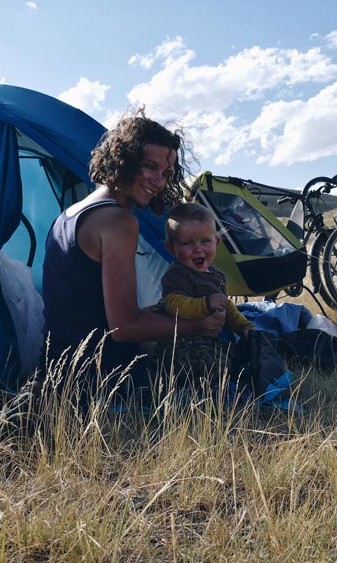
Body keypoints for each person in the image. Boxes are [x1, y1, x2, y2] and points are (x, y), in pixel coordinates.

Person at [40, 112, 225, 394]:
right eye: (149, 166)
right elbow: (123, 328)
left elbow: (88, 311)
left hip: (57, 367)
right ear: (124, 160)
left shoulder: (68, 214)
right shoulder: (119, 221)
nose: (159, 181)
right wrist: (198, 325)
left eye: (166, 173)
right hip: (100, 377)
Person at [154, 202, 254, 385]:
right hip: (180, 344)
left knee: (246, 353)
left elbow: (227, 306)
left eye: (205, 241)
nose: (198, 249)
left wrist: (244, 327)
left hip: (209, 342)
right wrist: (206, 303)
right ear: (171, 248)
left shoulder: (217, 275)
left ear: (216, 242)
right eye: (187, 243)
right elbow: (173, 304)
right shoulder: (177, 274)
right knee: (216, 365)